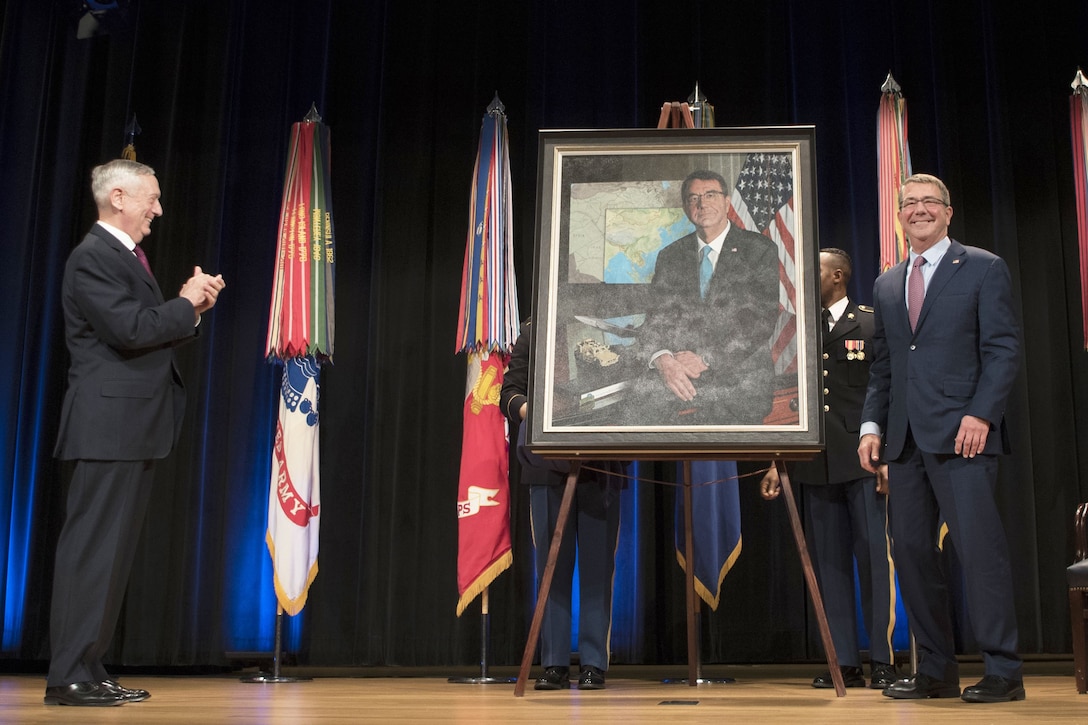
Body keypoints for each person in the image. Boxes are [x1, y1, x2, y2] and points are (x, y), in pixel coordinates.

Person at [46, 159, 225, 707]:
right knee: (92, 552)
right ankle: (68, 674)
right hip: (109, 427)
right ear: (118, 197)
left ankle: (90, 665)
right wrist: (186, 304)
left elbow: (140, 328)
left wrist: (186, 308)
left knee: (112, 555)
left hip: (129, 428)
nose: (158, 209)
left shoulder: (119, 257)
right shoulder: (93, 258)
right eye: (152, 198)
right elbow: (128, 330)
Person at [858, 173, 1024, 703]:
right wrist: (871, 426)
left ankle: (1004, 672)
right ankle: (936, 668)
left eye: (931, 202)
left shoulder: (982, 267)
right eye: (910, 203)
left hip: (965, 437)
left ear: (949, 212)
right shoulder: (887, 283)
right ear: (900, 215)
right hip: (904, 443)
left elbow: (1002, 350)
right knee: (910, 552)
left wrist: (982, 415)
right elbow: (883, 367)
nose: (920, 210)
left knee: (980, 554)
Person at [761, 248, 898, 690]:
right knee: (830, 565)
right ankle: (843, 659)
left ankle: (882, 657)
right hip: (815, 463)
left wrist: (889, 457)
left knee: (874, 560)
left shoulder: (872, 323)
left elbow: (888, 393)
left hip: (864, 460)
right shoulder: (797, 330)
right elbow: (787, 399)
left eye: (814, 270)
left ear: (837, 275)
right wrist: (775, 460)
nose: (805, 277)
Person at [500, 319, 622, 691]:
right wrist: (535, 415)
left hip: (601, 465)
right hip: (546, 467)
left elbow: (629, 388)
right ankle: (553, 663)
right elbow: (510, 393)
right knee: (551, 568)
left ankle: (593, 663)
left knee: (598, 568)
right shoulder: (533, 330)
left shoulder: (606, 326)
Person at [632, 169, 780, 425]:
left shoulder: (758, 250)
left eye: (710, 195)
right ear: (685, 207)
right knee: (635, 412)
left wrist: (706, 358)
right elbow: (656, 318)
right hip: (681, 376)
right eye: (693, 198)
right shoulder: (671, 256)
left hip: (739, 380)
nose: (702, 204)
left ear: (726, 201)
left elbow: (759, 321)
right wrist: (663, 360)